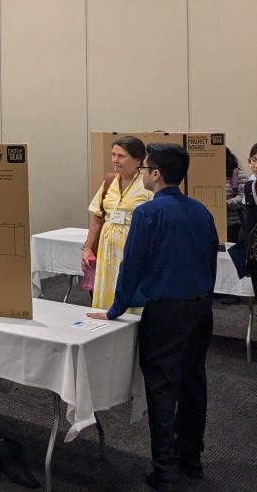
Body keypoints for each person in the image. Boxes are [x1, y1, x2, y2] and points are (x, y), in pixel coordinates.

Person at [88, 143, 218, 491]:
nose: (142, 172)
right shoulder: (202, 211)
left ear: (155, 174)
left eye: (145, 167)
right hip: (200, 308)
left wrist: (115, 309)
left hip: (165, 313)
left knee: (162, 388)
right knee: (194, 383)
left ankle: (165, 470)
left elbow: (132, 268)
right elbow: (210, 259)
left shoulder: (148, 214)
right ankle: (191, 460)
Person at [81, 136, 152, 311]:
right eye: (113, 155)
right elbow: (98, 216)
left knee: (129, 285)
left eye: (121, 156)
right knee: (107, 285)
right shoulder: (109, 182)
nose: (115, 160)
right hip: (107, 248)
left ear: (138, 160)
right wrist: (88, 248)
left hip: (133, 246)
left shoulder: (147, 185)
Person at [226, 150, 245, 243]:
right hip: (214, 224)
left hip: (234, 226)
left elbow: (244, 197)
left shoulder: (237, 174)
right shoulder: (210, 175)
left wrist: (226, 204)